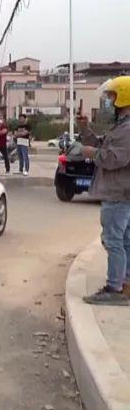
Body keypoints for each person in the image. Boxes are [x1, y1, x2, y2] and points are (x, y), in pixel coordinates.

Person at [79, 76, 130, 305]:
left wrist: (91, 154)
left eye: (111, 97)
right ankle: (124, 283)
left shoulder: (127, 129)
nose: (108, 101)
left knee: (113, 241)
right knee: (124, 241)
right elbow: (103, 144)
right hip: (122, 193)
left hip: (118, 194)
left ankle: (114, 289)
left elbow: (113, 158)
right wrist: (85, 129)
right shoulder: (121, 126)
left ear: (123, 97)